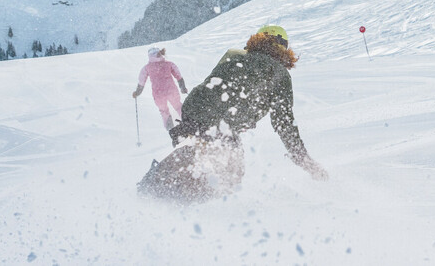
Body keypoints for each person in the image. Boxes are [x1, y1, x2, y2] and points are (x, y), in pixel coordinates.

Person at [137, 25, 328, 202]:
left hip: (195, 109)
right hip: (220, 123)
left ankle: (155, 185)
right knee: (230, 175)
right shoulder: (280, 74)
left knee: (204, 152)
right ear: (284, 49)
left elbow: (213, 84)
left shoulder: (235, 55)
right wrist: (305, 160)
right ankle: (173, 199)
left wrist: (194, 120)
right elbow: (283, 124)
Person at [133, 47, 188, 131]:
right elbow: (178, 76)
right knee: (178, 106)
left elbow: (141, 82)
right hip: (171, 90)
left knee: (164, 111)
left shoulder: (147, 68)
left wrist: (137, 92)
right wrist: (182, 87)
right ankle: (189, 122)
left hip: (158, 94)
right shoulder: (169, 64)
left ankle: (171, 130)